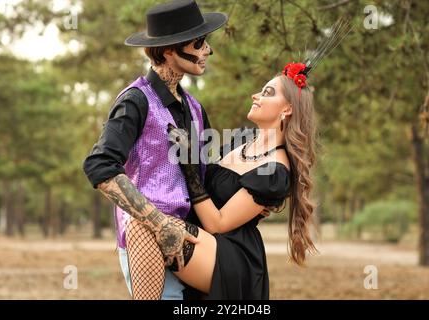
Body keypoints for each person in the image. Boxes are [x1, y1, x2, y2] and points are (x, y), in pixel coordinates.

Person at [127, 61, 319, 299]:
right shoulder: (241, 139)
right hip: (204, 241)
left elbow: (217, 224)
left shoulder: (275, 170)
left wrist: (189, 167)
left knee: (144, 224)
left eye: (267, 93)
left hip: (230, 254)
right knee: (140, 224)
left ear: (287, 109)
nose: (256, 95)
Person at [82, 0, 227, 300]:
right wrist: (160, 225)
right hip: (147, 241)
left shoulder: (196, 109)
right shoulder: (135, 101)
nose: (207, 51)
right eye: (199, 42)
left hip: (195, 244)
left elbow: (207, 177)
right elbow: (100, 166)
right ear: (170, 49)